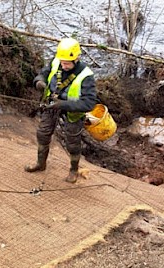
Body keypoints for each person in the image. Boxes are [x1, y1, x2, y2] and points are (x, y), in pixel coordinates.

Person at [24, 37, 98, 183]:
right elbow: (43, 73)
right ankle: (41, 163)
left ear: (76, 58)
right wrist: (39, 81)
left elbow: (89, 103)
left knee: (72, 142)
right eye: (62, 62)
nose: (63, 65)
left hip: (73, 112)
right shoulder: (57, 61)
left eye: (67, 63)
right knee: (43, 133)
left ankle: (74, 170)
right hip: (51, 104)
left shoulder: (86, 76)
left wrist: (63, 104)